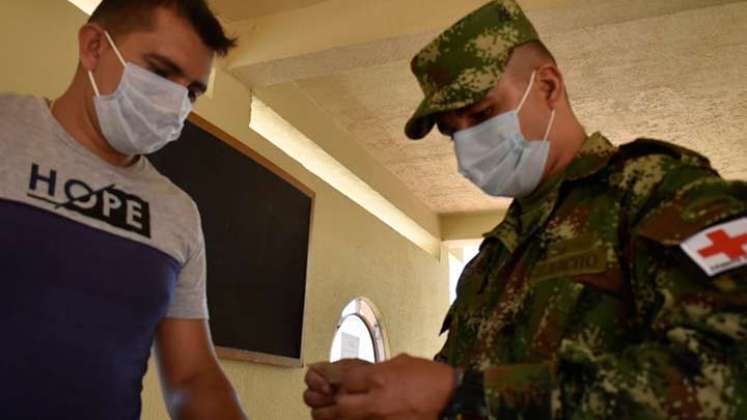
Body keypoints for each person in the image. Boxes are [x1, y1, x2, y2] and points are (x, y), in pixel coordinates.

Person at [303, 1, 747, 418]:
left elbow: (726, 380)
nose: (466, 146)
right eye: (451, 132)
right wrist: (382, 397)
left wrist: (462, 392)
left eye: (480, 114)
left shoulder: (659, 192)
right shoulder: (491, 262)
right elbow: (457, 388)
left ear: (549, 86)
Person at [0, 0, 247, 418]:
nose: (174, 102)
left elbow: (192, 377)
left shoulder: (177, 213)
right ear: (94, 46)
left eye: (190, 91)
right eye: (160, 72)